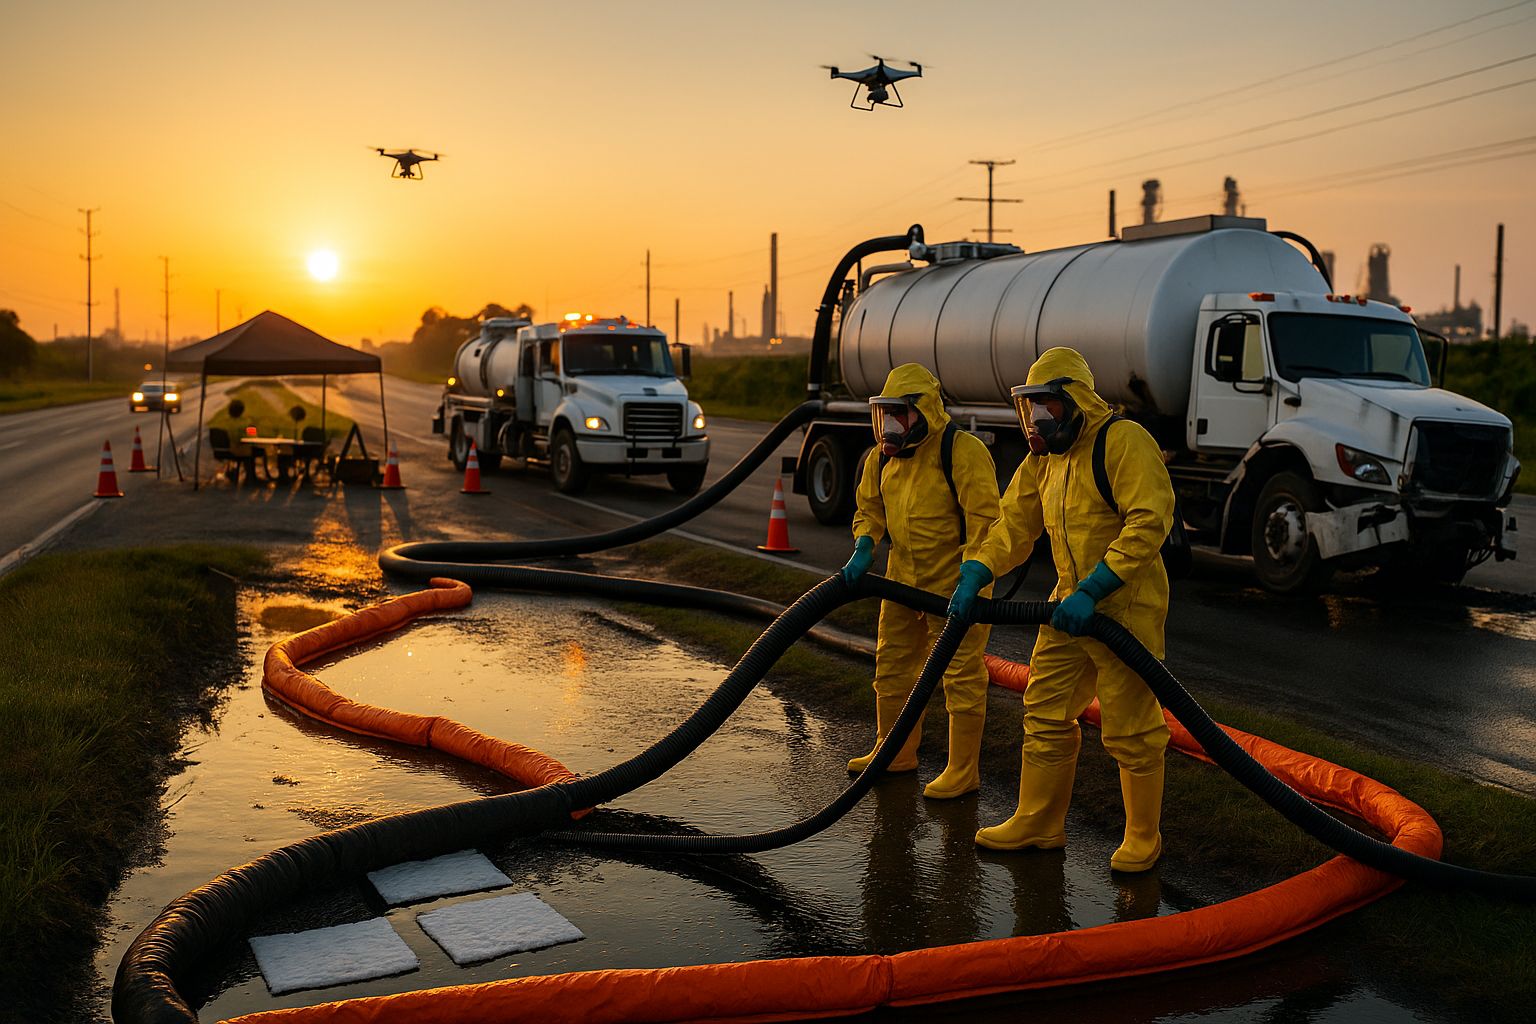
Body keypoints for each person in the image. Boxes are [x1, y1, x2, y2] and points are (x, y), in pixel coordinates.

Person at [947, 347, 1175, 872]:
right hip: (1065, 603)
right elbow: (1013, 525)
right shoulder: (1044, 460)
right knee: (1045, 707)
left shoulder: (1122, 441)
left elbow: (1149, 521)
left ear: (1074, 401)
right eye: (1030, 407)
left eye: (1045, 406)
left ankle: (1143, 836)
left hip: (1125, 606)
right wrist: (979, 569)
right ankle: (1039, 822)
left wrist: (1095, 589)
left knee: (1131, 724)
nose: (1036, 419)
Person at [841, 363, 1000, 800]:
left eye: (899, 413)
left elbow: (985, 521)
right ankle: (894, 753)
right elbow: (869, 509)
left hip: (955, 587)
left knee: (960, 677)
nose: (891, 423)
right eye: (886, 413)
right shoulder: (882, 457)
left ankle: (962, 770)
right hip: (900, 580)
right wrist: (864, 544)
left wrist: (974, 574)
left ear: (922, 410)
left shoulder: (961, 451)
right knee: (892, 668)